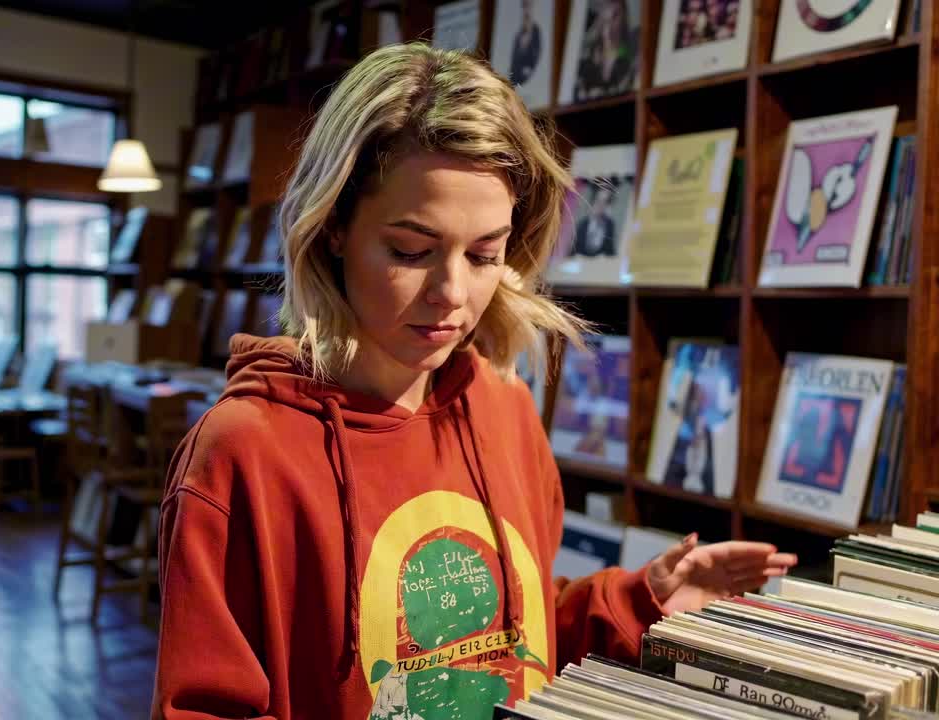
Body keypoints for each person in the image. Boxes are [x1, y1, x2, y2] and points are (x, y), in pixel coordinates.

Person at [151, 43, 796, 719]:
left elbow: (511, 640)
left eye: (486, 254)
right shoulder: (242, 452)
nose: (453, 293)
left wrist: (642, 600)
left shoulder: (504, 406)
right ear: (334, 226)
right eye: (410, 251)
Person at [570, 184, 618, 257]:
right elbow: (572, 253)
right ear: (593, 201)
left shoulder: (610, 224)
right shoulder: (582, 224)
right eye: (599, 201)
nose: (601, 205)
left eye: (606, 202)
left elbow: (611, 252)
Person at [509, 0, 542, 86]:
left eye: (528, 5)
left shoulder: (536, 32)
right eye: (524, 6)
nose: (526, 10)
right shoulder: (518, 34)